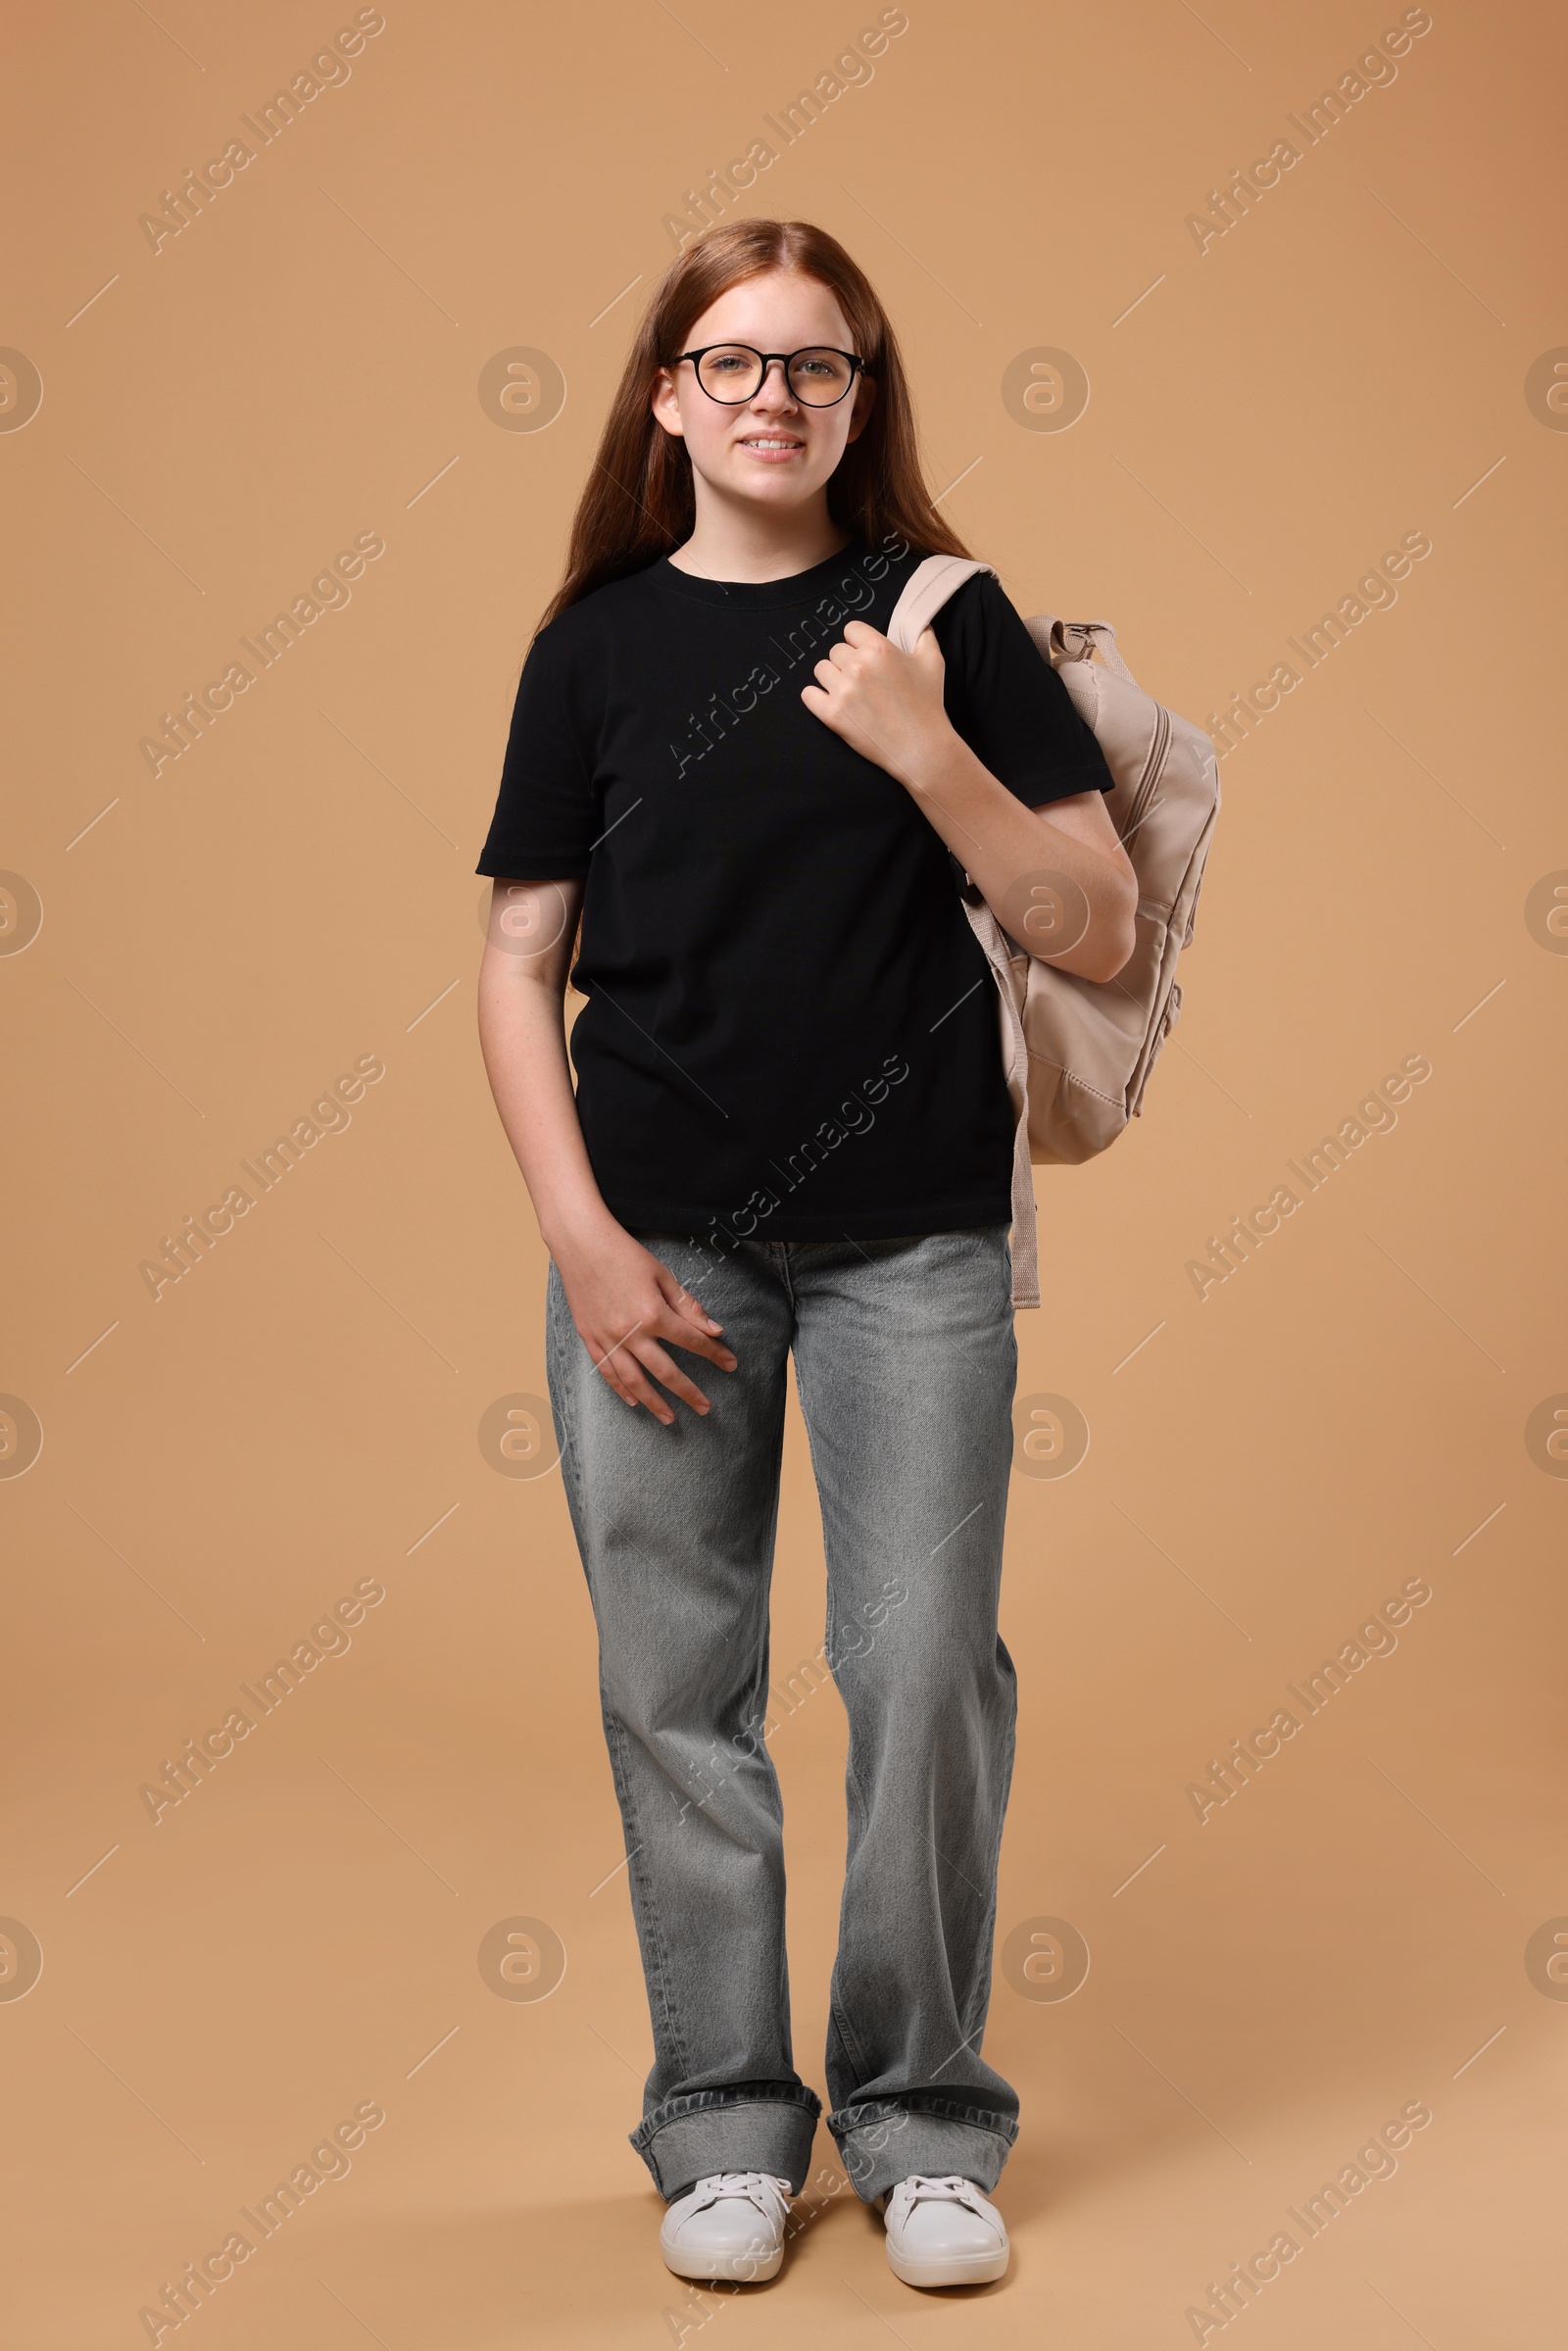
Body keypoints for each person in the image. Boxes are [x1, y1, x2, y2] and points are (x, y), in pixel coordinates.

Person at [475, 217, 1136, 2290]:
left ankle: (924, 2120)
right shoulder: (588, 644)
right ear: (666, 395)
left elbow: (1095, 925)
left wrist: (925, 743)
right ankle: (725, 2127)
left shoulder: (940, 622)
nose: (776, 395)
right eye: (734, 360)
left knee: (920, 1669)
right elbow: (515, 960)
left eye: (818, 364)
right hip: (655, 1247)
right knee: (677, 1688)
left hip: (909, 1251)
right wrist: (579, 1237)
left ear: (864, 396)